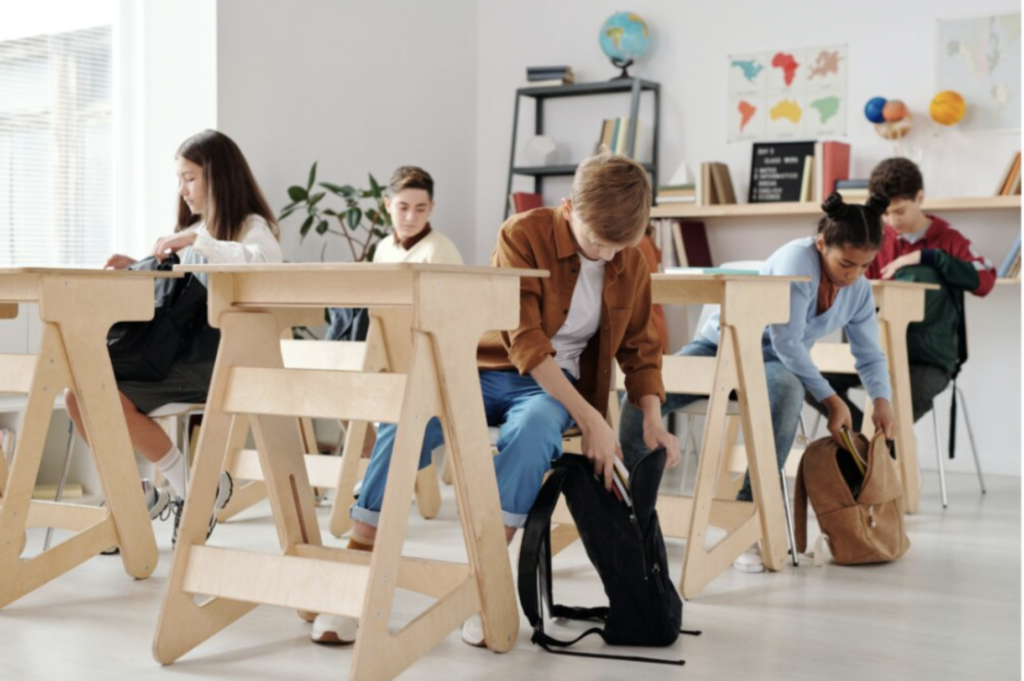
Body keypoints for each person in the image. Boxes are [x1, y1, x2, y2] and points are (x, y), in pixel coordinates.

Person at [312, 152, 680, 646]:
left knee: (533, 434)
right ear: (569, 209)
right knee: (410, 418)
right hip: (485, 370)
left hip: (556, 390)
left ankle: (479, 582)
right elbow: (524, 340)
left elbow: (641, 347)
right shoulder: (522, 234)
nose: (609, 257)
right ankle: (357, 564)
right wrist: (592, 418)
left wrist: (652, 418)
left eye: (621, 247)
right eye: (599, 242)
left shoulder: (629, 260)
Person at [620, 192, 899, 573]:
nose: (853, 275)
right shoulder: (796, 260)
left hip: (771, 362)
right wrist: (833, 400)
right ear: (822, 244)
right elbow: (787, 340)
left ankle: (748, 520)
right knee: (643, 392)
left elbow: (867, 353)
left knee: (786, 391)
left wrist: (881, 398)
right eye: (845, 263)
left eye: (864, 266)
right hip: (719, 347)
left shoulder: (859, 291)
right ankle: (632, 515)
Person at [65, 129, 283, 545]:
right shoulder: (197, 230)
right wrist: (142, 265)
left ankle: (188, 490)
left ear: (217, 177)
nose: (182, 189)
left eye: (189, 177)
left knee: (94, 390)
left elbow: (265, 266)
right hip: (173, 355)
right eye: (179, 179)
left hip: (216, 359)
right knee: (80, 393)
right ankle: (146, 494)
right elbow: (177, 290)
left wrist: (196, 242)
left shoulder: (251, 227)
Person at [808, 158, 997, 430]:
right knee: (807, 378)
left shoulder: (949, 238)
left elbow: (986, 282)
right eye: (885, 213)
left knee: (903, 404)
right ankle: (867, 444)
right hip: (872, 354)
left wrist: (930, 257)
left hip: (927, 360)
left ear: (919, 197)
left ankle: (874, 451)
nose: (891, 221)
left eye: (899, 211)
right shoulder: (875, 237)